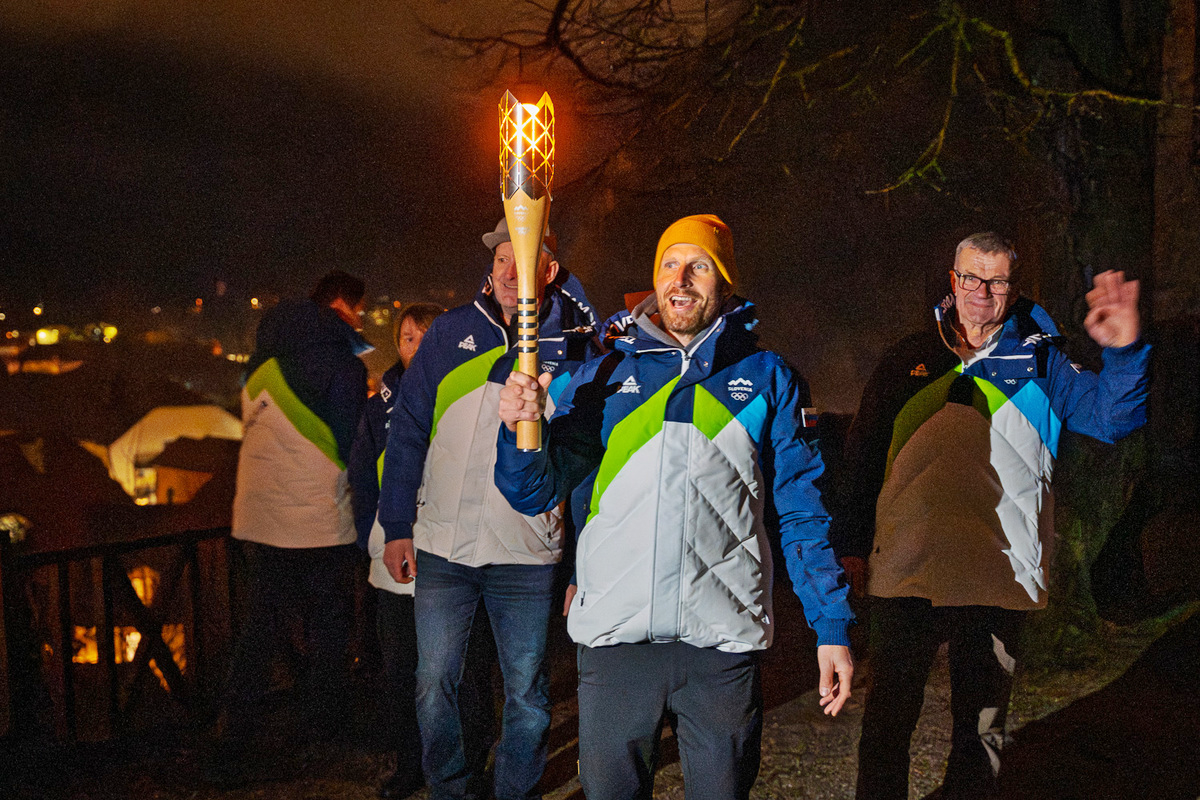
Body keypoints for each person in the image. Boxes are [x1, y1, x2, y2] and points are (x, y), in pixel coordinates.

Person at [496, 214, 855, 800]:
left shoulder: (768, 378)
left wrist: (830, 625)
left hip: (721, 647)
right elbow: (532, 490)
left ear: (726, 281)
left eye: (700, 265)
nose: (681, 279)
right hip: (616, 646)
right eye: (669, 264)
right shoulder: (603, 376)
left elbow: (802, 512)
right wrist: (517, 433)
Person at [836, 232, 1150, 799]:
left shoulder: (1042, 363)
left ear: (1013, 287)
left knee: (979, 736)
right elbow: (862, 458)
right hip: (907, 571)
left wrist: (1124, 352)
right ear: (951, 281)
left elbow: (1112, 418)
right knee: (886, 730)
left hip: (997, 573)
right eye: (969, 277)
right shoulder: (907, 359)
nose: (981, 291)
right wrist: (851, 545)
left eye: (997, 280)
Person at [377, 219, 601, 800]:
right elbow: (406, 433)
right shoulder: (450, 333)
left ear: (547, 271)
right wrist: (398, 526)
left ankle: (515, 792)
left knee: (526, 692)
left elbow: (585, 467)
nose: (508, 271)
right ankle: (451, 787)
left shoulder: (573, 349)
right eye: (501, 259)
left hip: (526, 552)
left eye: (522, 260)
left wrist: (584, 563)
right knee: (432, 685)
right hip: (443, 546)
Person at [213, 269, 372, 782]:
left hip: (258, 520)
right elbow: (354, 446)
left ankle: (233, 732)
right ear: (344, 308)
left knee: (261, 627)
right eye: (361, 311)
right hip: (319, 523)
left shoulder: (259, 368)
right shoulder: (341, 367)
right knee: (330, 625)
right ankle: (324, 724)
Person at [348, 302, 499, 799]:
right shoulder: (379, 407)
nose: (415, 346)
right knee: (402, 674)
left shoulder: (472, 396)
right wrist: (375, 537)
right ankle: (411, 763)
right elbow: (363, 480)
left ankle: (470, 764)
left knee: (465, 671)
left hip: (456, 559)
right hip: (394, 564)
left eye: (426, 335)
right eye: (407, 338)